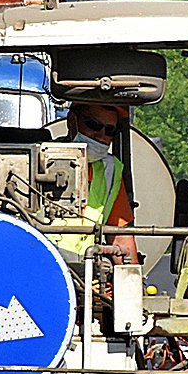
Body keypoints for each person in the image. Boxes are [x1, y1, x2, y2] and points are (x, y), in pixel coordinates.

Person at [51, 100, 137, 264]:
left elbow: (120, 239)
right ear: (71, 121)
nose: (101, 135)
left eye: (110, 130)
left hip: (86, 275)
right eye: (93, 125)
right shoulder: (34, 161)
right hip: (40, 268)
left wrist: (132, 283)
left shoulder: (110, 170)